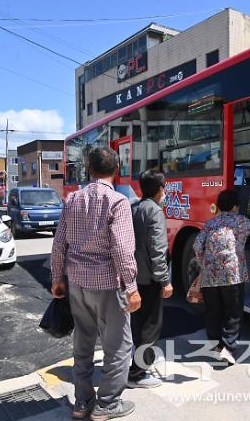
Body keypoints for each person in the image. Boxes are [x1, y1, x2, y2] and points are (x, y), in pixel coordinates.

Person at [51, 147, 140, 421]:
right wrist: (132, 286)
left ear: (88, 170)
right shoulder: (117, 202)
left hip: (76, 283)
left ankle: (82, 402)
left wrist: (56, 279)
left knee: (83, 342)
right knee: (118, 347)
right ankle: (108, 404)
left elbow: (58, 244)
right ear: (117, 171)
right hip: (107, 285)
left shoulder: (73, 199)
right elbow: (122, 249)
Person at [193, 189, 250, 365]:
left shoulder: (210, 223)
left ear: (219, 206)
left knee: (213, 311)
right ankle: (228, 348)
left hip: (209, 276)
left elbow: (197, 246)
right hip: (232, 275)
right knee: (233, 312)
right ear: (236, 206)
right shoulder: (241, 221)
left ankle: (216, 345)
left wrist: (204, 264)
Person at [128, 170, 173, 389]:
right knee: (150, 328)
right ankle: (137, 373)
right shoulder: (154, 212)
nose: (165, 190)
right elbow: (158, 250)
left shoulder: (134, 207)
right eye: (164, 186)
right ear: (159, 189)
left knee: (138, 325)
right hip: (150, 280)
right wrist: (165, 280)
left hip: (135, 277)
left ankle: (135, 368)